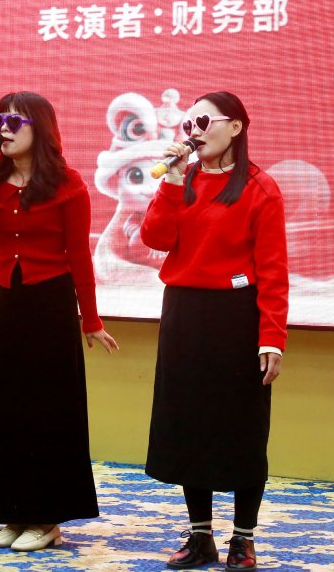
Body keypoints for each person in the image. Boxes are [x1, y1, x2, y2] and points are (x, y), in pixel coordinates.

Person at [0, 91, 118, 552]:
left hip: (50, 303)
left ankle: (46, 518)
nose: (2, 130)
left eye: (14, 122)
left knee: (48, 408)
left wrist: (91, 319)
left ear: (40, 128)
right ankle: (11, 512)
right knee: (8, 405)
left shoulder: (67, 183)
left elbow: (80, 256)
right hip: (7, 299)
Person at [139, 91, 288, 570]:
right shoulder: (182, 179)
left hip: (237, 316)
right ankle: (200, 535)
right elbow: (155, 238)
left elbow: (273, 271)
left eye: (203, 122)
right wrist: (171, 183)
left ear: (236, 127)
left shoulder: (260, 188)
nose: (193, 132)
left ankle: (243, 539)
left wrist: (272, 337)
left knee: (242, 430)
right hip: (184, 313)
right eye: (188, 125)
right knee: (189, 426)